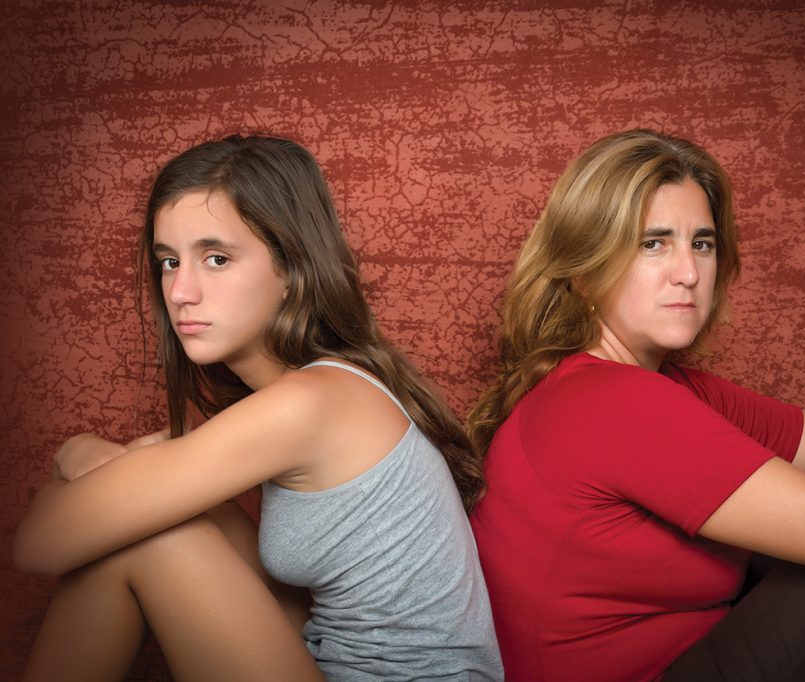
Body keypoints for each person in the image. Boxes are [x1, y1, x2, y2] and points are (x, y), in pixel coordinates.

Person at [466, 128, 805, 681]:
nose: (688, 273)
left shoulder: (658, 388)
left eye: (702, 244)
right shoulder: (606, 401)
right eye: (652, 243)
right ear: (586, 271)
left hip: (689, 659)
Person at [14, 134, 503, 681]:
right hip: (332, 660)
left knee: (156, 534)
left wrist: (76, 452)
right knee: (167, 516)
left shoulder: (308, 404)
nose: (180, 292)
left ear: (292, 268)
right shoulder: (319, 391)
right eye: (169, 261)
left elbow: (38, 545)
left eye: (216, 259)